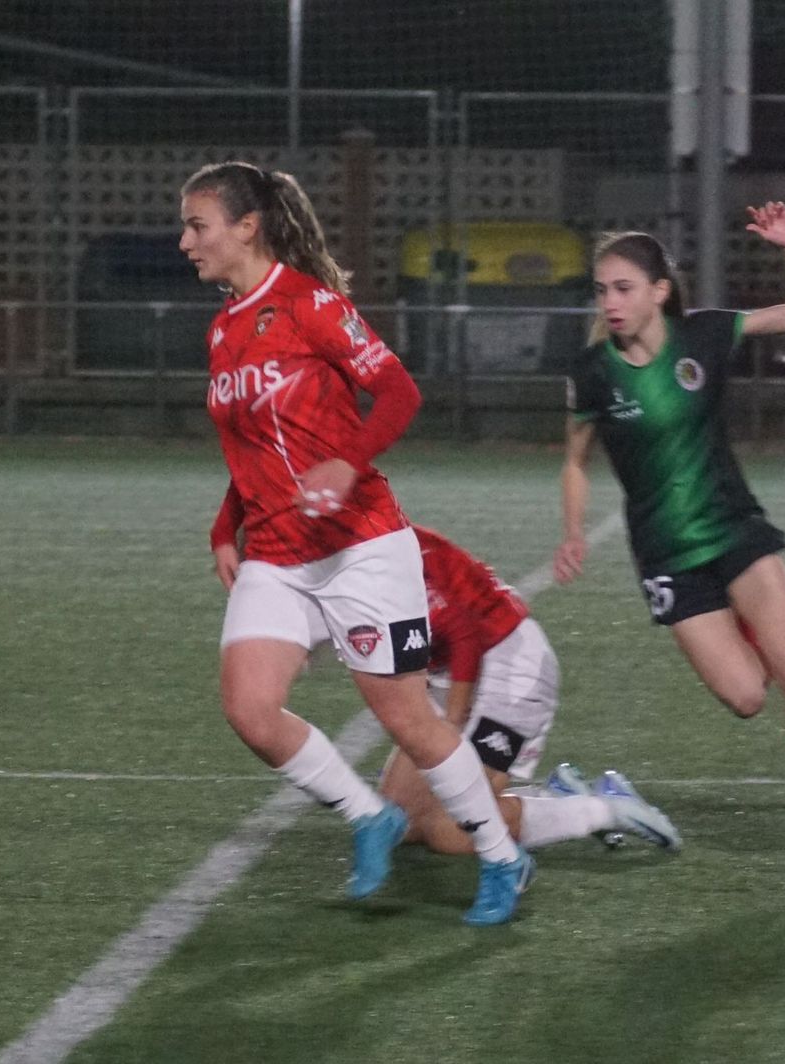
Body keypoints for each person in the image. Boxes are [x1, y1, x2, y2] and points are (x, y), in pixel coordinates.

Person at [186, 161, 530, 926]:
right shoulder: (222, 328)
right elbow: (251, 450)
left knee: (407, 719)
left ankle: (505, 858)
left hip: (362, 548)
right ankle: (367, 815)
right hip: (276, 553)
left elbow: (401, 390)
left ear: (247, 227)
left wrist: (349, 462)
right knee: (250, 709)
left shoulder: (312, 306)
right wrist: (223, 527)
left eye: (197, 225)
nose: (186, 241)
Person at [553, 205, 785, 880]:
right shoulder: (593, 371)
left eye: (623, 288)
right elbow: (575, 460)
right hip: (669, 557)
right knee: (746, 697)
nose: (610, 302)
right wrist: (573, 532)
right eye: (602, 290)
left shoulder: (703, 335)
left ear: (658, 292)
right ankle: (747, 633)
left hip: (737, 532)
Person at [374, 524, 682, 856]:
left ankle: (604, 809)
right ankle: (556, 797)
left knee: (453, 831)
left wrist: (450, 721)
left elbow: (463, 631)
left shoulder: (388, 551)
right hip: (453, 671)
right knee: (399, 821)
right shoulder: (352, 549)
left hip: (510, 664)